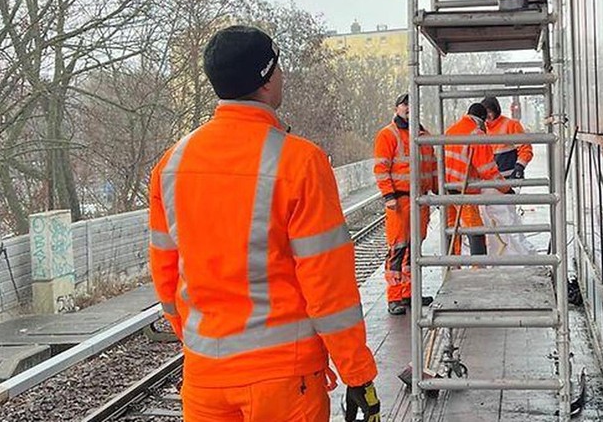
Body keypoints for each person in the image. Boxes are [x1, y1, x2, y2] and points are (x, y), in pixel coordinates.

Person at [149, 25, 380, 422]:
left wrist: (202, 344)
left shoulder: (171, 165)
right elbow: (328, 285)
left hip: (205, 378)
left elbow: (165, 276)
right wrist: (356, 372)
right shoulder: (300, 162)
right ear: (268, 79)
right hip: (284, 378)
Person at [372, 93, 436, 315]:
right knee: (398, 248)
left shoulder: (424, 136)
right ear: (396, 108)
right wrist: (388, 196)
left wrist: (438, 191)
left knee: (414, 249)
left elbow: (432, 167)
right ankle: (394, 297)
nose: (408, 108)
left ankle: (409, 293)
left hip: (420, 201)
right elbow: (381, 168)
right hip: (399, 201)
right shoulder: (388, 135)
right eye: (404, 104)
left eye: (412, 104)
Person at [443, 103, 503, 256]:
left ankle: (452, 264)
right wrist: (506, 188)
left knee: (452, 228)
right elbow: (487, 170)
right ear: (482, 119)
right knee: (475, 230)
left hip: (446, 188)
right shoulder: (476, 134)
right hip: (463, 190)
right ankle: (478, 265)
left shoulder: (451, 130)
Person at [480, 96, 537, 255]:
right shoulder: (482, 130)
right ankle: (502, 252)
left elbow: (525, 148)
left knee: (507, 218)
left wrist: (520, 167)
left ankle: (516, 253)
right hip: (489, 182)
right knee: (493, 220)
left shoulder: (511, 125)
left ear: (496, 109)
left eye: (490, 111)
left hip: (507, 180)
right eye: (485, 112)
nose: (488, 115)